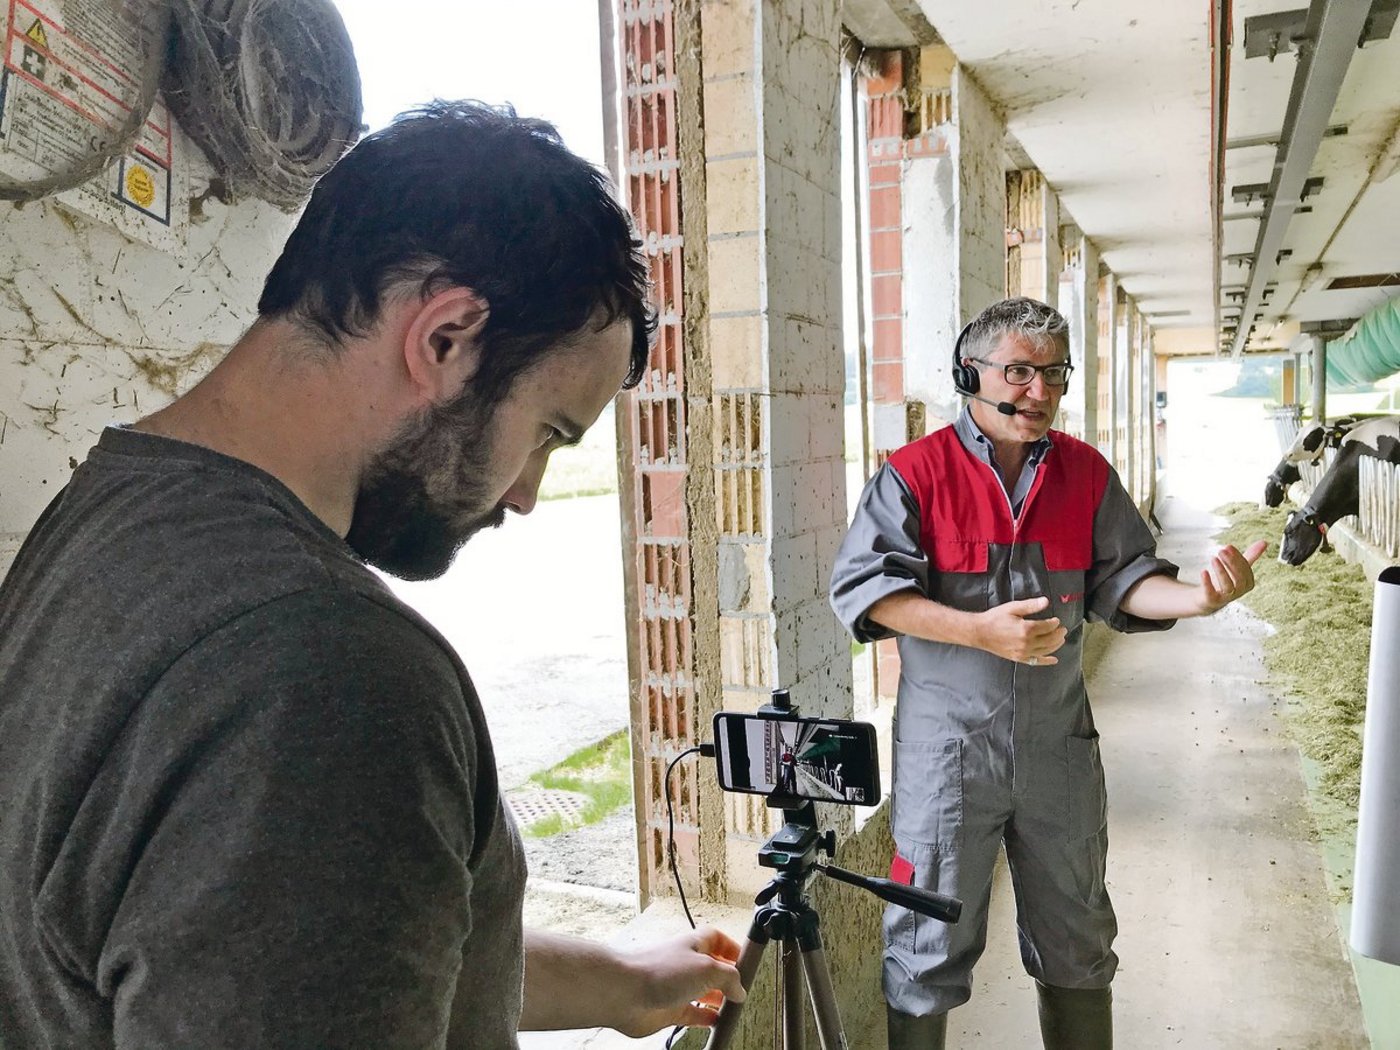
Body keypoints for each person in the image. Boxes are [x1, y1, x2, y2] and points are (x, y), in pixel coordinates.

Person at [0, 101, 744, 1049]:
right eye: (549, 434)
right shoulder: (332, 677)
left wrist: (613, 983)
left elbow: (294, 956)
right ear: (445, 339)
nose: (525, 494)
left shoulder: (114, 512)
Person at [828, 297, 1266, 1050]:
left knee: (1078, 937)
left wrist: (1195, 598)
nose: (1040, 393)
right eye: (1020, 373)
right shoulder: (914, 475)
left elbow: (1123, 579)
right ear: (971, 373)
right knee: (924, 941)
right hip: (948, 758)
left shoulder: (1087, 475)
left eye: (1054, 375)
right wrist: (977, 631)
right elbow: (867, 592)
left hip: (1057, 750)